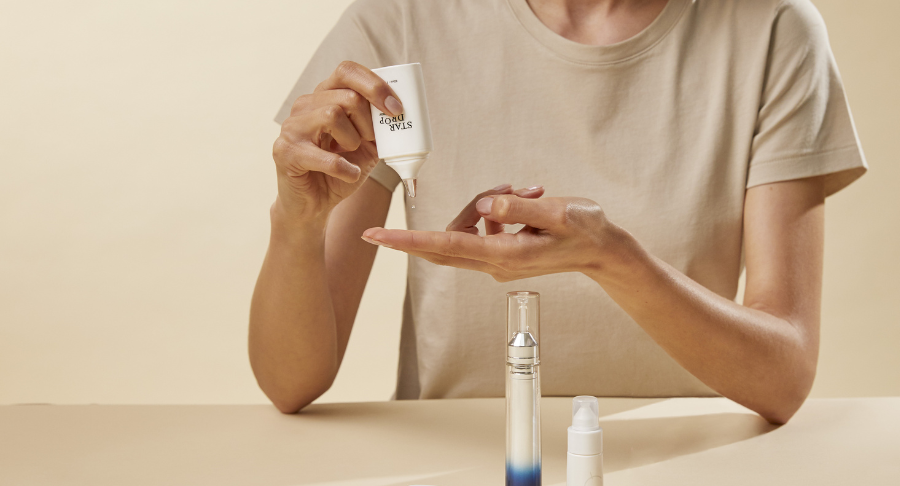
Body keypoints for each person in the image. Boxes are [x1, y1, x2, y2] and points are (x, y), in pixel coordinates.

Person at [250, 0, 866, 424]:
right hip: (453, 453)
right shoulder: (405, 20)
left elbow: (783, 376)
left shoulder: (774, 28)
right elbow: (291, 383)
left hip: (687, 457)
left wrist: (615, 260)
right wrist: (296, 221)